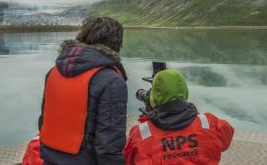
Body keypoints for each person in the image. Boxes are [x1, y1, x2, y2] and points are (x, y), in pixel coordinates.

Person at [38, 16, 128, 165]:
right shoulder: (112, 81)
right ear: (117, 44)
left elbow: (43, 123)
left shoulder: (53, 72)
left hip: (49, 158)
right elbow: (108, 146)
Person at [124, 69, 234, 165]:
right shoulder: (210, 123)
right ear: (185, 92)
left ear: (153, 97)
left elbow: (128, 160)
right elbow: (225, 142)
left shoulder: (140, 133)